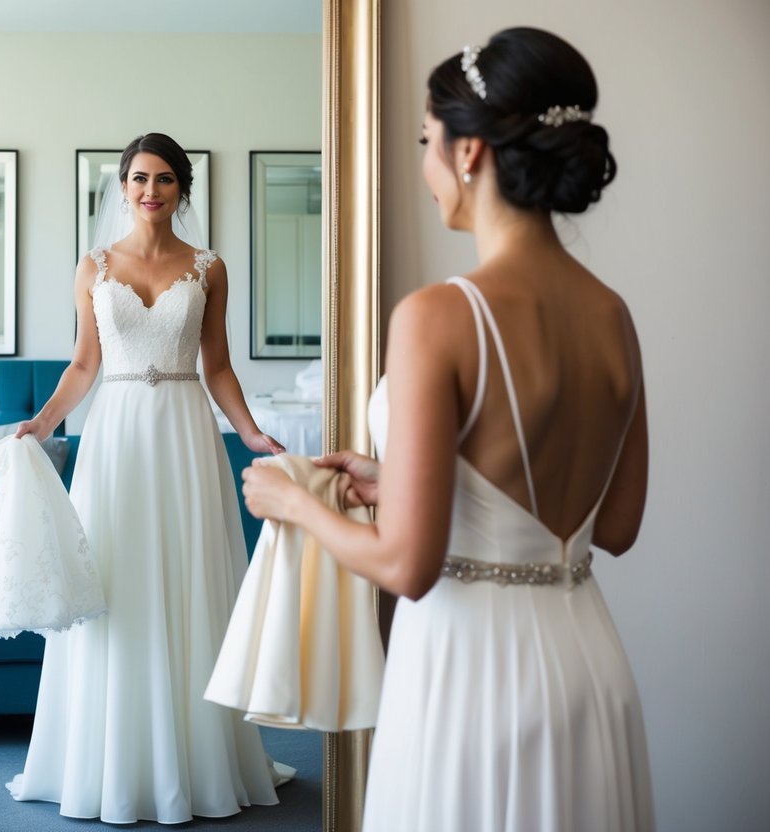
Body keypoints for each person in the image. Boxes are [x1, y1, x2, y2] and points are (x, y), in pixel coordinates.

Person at [241, 28, 655, 831]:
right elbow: (617, 527)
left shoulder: (438, 316)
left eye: (425, 141)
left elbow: (407, 566)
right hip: (589, 669)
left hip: (471, 674)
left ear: (468, 152)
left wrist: (295, 506)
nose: (426, 165)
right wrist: (402, 482)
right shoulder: (612, 316)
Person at [7, 132, 292, 824]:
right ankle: (108, 759)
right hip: (116, 437)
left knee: (187, 576)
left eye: (164, 179)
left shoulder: (209, 268)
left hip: (185, 432)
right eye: (139, 178)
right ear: (123, 185)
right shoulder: (93, 267)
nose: (150, 190)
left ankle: (194, 758)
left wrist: (252, 433)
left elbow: (217, 365)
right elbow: (84, 364)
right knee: (114, 577)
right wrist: (42, 421)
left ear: (181, 188)